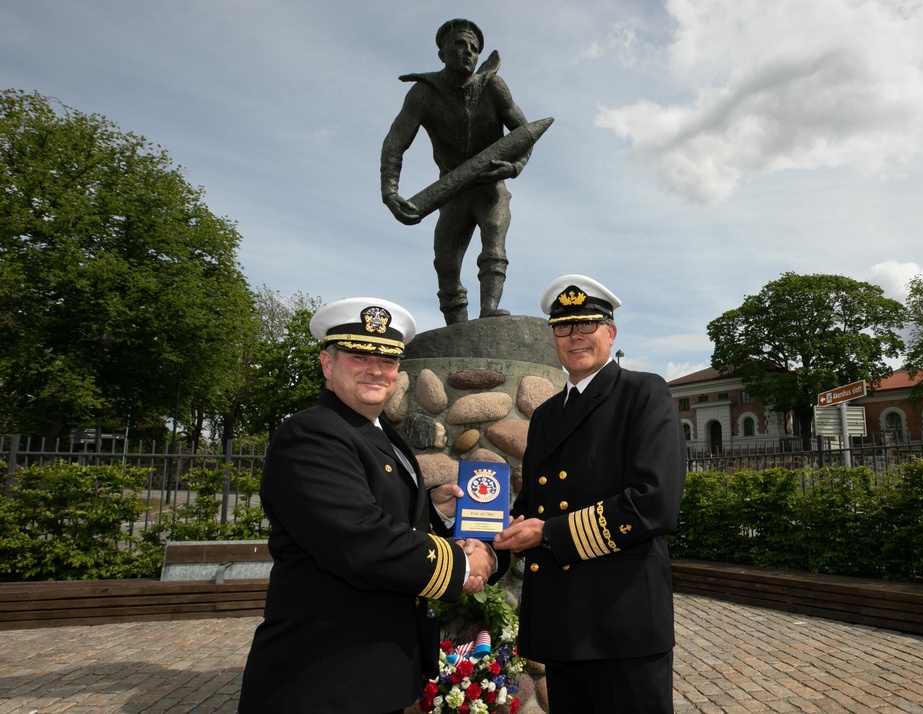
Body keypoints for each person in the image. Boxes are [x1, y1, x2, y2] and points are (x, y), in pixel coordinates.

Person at [238, 297, 496, 714]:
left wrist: (436, 511)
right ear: (327, 364)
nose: (377, 370)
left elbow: (378, 511)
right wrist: (463, 565)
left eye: (388, 360)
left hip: (373, 673)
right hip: (324, 677)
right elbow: (358, 539)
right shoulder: (311, 434)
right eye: (360, 356)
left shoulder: (378, 433)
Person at [492, 275, 687, 714]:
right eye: (563, 326)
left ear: (611, 332)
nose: (575, 335)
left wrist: (547, 534)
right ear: (553, 338)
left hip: (622, 624)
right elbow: (529, 509)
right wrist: (489, 539)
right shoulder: (544, 416)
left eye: (587, 324)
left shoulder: (643, 393)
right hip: (562, 621)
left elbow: (654, 503)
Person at [380, 18, 533, 325]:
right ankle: (457, 331)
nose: (468, 52)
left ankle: (489, 311)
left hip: (490, 189)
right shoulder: (424, 94)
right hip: (452, 193)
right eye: (459, 45)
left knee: (494, 240)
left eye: (474, 49)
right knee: (445, 263)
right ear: (442, 53)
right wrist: (390, 191)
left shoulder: (494, 88)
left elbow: (524, 133)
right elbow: (395, 143)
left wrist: (514, 166)